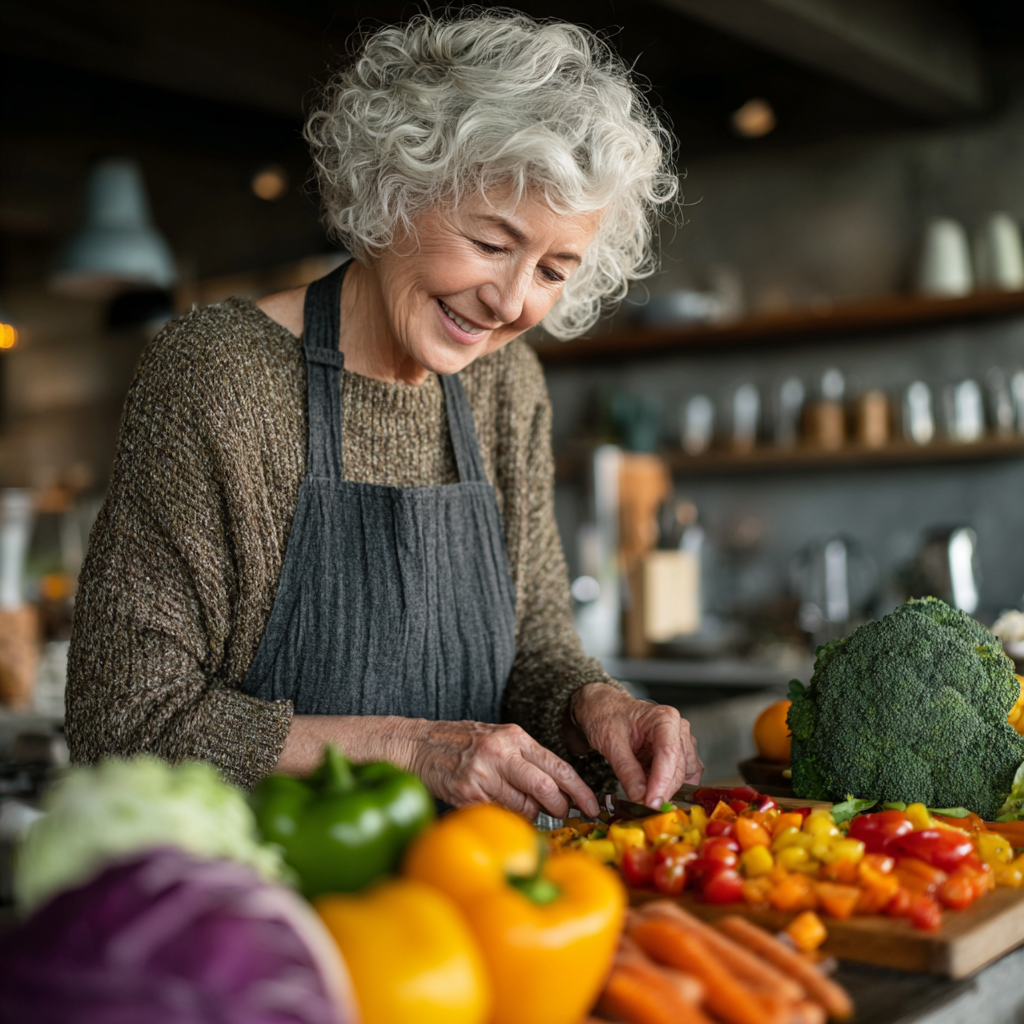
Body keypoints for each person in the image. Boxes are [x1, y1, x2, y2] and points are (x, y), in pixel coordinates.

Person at [66, 10, 703, 820]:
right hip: (263, 905)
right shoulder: (219, 373)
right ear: (397, 190)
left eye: (552, 268)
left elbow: (534, 649)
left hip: (473, 894)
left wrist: (598, 704)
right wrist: (409, 748)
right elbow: (121, 722)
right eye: (491, 241)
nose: (510, 302)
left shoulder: (508, 384)